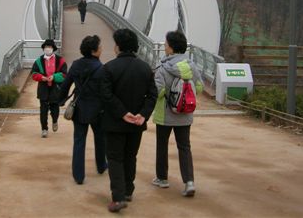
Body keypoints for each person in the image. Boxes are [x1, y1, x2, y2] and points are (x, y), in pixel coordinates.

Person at [100, 28, 157, 213]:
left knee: (115, 158)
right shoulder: (145, 68)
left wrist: (123, 113)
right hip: (137, 123)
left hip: (114, 123)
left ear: (118, 46)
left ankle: (118, 197)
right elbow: (152, 95)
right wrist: (143, 114)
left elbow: (106, 95)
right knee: (130, 156)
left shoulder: (109, 68)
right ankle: (128, 190)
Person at [152, 31, 204, 197]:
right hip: (185, 114)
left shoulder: (163, 68)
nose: (165, 46)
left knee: (162, 145)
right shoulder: (191, 66)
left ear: (171, 47)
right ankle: (189, 182)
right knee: (184, 147)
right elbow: (199, 88)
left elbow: (158, 92)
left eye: (166, 44)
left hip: (165, 115)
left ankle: (162, 178)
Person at [59, 35, 107, 185]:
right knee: (100, 139)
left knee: (79, 141)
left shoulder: (76, 65)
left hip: (79, 108)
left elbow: (66, 85)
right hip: (98, 110)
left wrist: (61, 100)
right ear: (94, 51)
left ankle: (78, 176)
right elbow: (105, 91)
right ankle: (101, 166)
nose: (101, 49)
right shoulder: (101, 68)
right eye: (99, 47)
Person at [31, 39, 67, 138]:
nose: (48, 49)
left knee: (55, 108)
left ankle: (55, 120)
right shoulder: (38, 61)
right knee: (43, 110)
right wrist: (41, 77)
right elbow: (34, 74)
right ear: (43, 48)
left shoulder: (60, 60)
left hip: (55, 88)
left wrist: (54, 77)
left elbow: (64, 74)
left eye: (50, 47)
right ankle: (44, 129)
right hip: (43, 88)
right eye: (46, 47)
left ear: (53, 49)